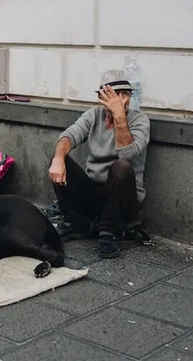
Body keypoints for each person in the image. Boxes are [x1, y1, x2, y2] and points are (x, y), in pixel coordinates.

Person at [48, 69, 150, 258]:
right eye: (114, 95)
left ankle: (110, 232)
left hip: (122, 198)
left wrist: (120, 117)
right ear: (102, 98)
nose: (121, 99)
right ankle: (77, 223)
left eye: (124, 94)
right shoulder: (94, 115)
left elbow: (126, 155)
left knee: (121, 167)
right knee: (59, 156)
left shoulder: (140, 120)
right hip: (94, 192)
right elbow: (69, 136)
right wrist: (58, 159)